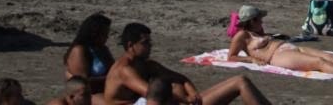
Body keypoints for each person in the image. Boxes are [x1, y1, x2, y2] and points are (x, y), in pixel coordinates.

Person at [106, 22, 273, 105]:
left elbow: (180, 77)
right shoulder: (124, 69)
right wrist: (185, 98)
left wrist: (192, 92)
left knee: (241, 80)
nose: (150, 47)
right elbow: (151, 94)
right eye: (145, 43)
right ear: (130, 46)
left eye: (150, 43)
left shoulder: (146, 63)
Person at [227, 6, 333, 78]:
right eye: (260, 19)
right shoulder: (242, 36)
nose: (262, 21)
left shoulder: (257, 31)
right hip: (276, 56)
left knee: (328, 56)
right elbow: (231, 57)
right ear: (252, 21)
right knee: (319, 62)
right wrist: (252, 58)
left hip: (288, 48)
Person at [64, 13, 115, 101]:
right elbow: (82, 83)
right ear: (94, 34)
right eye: (104, 33)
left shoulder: (103, 49)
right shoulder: (79, 50)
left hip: (107, 90)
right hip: (89, 95)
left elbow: (113, 69)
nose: (107, 37)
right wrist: (110, 78)